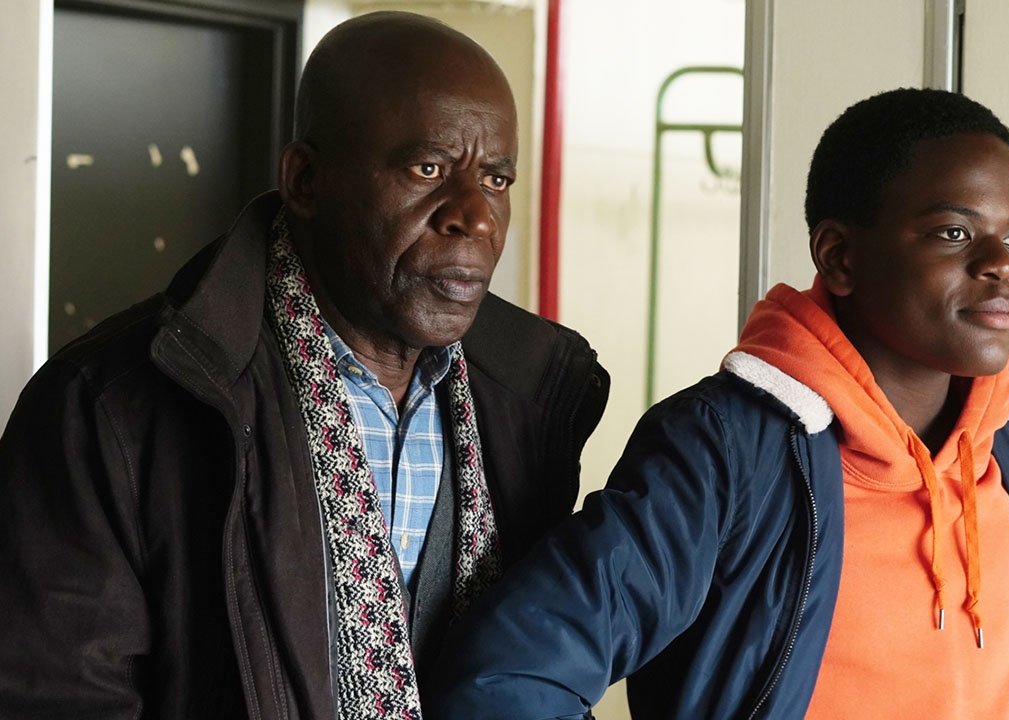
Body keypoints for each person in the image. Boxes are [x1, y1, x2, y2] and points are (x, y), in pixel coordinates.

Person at [425, 88, 1009, 719]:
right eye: (953, 233)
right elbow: (514, 674)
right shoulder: (725, 449)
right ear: (839, 256)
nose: (1001, 265)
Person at [0, 12, 608, 720]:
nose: (473, 216)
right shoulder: (108, 409)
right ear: (307, 180)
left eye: (495, 179)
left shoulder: (530, 401)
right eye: (429, 169)